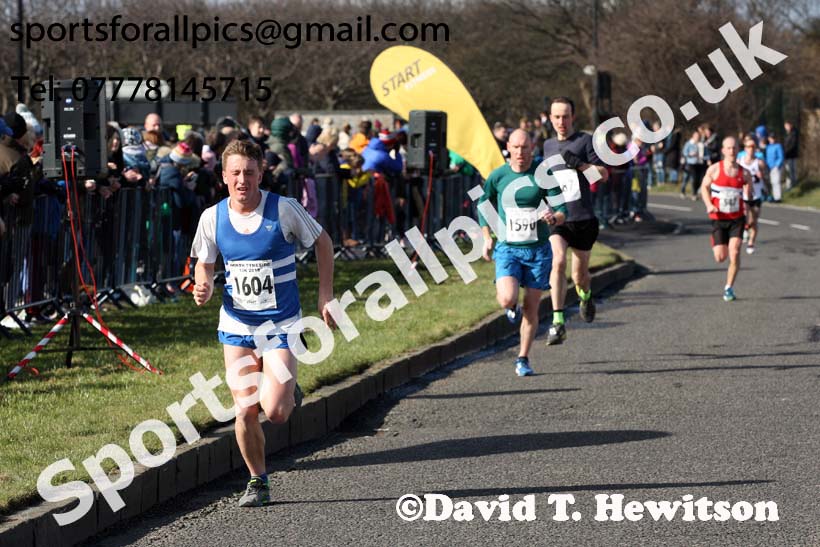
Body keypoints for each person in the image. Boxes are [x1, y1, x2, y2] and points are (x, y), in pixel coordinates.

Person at [190, 139, 335, 507]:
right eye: (235, 173)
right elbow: (203, 261)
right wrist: (203, 282)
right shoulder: (212, 217)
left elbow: (323, 242)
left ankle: (286, 391)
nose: (243, 180)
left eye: (249, 173)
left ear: (261, 173)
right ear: (223, 176)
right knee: (244, 408)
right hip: (237, 326)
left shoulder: (283, 209)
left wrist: (326, 295)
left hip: (281, 326)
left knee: (276, 412)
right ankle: (258, 481)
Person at [479, 129, 566, 376]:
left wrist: (553, 217)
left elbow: (561, 209)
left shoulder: (543, 173)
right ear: (508, 147)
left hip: (538, 250)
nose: (520, 152)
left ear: (532, 148)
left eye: (525, 147)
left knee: (531, 307)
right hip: (508, 248)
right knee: (507, 298)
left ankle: (523, 358)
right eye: (516, 147)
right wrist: (487, 237)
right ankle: (509, 307)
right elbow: (483, 205)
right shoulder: (498, 176)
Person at [542, 97, 608, 345]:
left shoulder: (584, 141)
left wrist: (580, 165)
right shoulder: (547, 146)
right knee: (557, 261)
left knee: (579, 275)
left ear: (573, 117)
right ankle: (558, 321)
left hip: (582, 218)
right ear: (550, 118)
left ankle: (586, 295)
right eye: (557, 116)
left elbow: (602, 176)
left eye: (566, 116)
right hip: (559, 218)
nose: (561, 121)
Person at [700, 137, 752, 302]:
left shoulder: (744, 173)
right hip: (719, 218)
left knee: (735, 252)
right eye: (728, 148)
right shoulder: (714, 169)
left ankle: (728, 287)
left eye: (735, 148)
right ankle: (716, 241)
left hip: (737, 218)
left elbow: (748, 197)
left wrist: (749, 212)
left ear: (739, 150)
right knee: (720, 257)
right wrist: (709, 204)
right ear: (723, 150)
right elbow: (704, 187)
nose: (732, 151)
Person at [737, 137, 768, 254]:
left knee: (754, 221)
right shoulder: (740, 161)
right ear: (745, 148)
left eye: (753, 147)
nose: (751, 149)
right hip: (744, 196)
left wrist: (762, 176)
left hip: (757, 196)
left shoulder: (759, 162)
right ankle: (745, 227)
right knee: (746, 217)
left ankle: (751, 243)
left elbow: (766, 177)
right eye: (749, 147)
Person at [766, 132, 784, 202]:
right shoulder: (768, 147)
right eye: (771, 138)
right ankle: (774, 196)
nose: (772, 140)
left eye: (773, 138)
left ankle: (778, 197)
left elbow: (781, 157)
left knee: (776, 182)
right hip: (769, 167)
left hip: (776, 167)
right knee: (772, 182)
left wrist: (777, 165)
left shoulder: (778, 146)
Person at [783, 121, 798, 189]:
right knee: (788, 170)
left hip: (792, 154)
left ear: (790, 125)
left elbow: (793, 144)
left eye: (787, 126)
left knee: (793, 170)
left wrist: (787, 151)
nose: (786, 127)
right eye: (785, 126)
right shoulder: (786, 134)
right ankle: (790, 184)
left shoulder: (794, 133)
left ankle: (794, 183)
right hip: (787, 155)